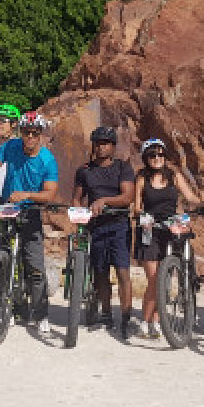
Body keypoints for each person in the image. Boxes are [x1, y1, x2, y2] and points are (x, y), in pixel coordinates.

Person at [0, 111, 59, 335]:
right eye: (26, 133)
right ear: (21, 133)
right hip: (7, 209)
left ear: (40, 135)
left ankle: (41, 314)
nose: (30, 137)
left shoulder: (47, 159)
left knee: (35, 266)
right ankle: (0, 306)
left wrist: (26, 195)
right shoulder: (11, 147)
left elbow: (49, 194)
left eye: (34, 133)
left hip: (31, 213)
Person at [134, 138, 201, 339]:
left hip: (171, 229)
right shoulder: (142, 178)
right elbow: (136, 206)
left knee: (165, 279)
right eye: (152, 155)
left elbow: (189, 197)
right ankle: (145, 322)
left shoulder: (174, 176)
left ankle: (156, 321)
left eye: (160, 154)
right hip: (150, 229)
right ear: (146, 158)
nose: (157, 158)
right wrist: (142, 215)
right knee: (155, 280)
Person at [74, 126, 136, 338]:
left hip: (119, 224)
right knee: (100, 272)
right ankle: (106, 314)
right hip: (95, 225)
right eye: (98, 143)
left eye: (106, 143)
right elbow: (77, 198)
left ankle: (126, 317)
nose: (102, 147)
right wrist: (78, 217)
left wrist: (104, 200)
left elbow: (128, 197)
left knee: (122, 272)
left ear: (113, 146)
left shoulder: (122, 168)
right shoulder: (85, 170)